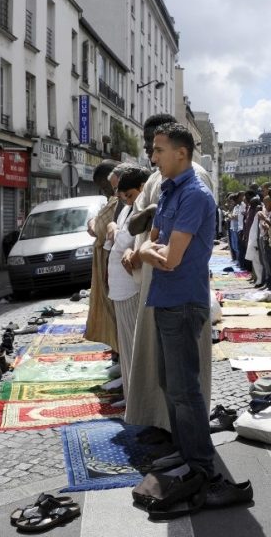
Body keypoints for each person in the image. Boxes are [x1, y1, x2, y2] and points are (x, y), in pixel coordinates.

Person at [123, 114, 213, 438]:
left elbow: (171, 254)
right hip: (159, 288)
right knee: (167, 376)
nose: (151, 155)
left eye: (157, 148)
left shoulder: (194, 185)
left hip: (181, 292)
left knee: (185, 381)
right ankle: (169, 429)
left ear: (179, 151)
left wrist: (146, 251)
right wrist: (140, 249)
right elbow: (143, 227)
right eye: (150, 148)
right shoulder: (163, 183)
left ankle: (195, 454)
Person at [108, 165, 150, 403]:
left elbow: (127, 240)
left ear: (141, 188)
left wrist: (116, 233)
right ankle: (132, 393)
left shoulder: (142, 208)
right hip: (121, 286)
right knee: (127, 344)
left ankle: (137, 397)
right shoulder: (128, 209)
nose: (125, 200)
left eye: (129, 195)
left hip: (131, 286)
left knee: (134, 345)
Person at [85, 161, 120, 352]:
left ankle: (120, 350)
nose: (104, 190)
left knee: (115, 310)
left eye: (104, 185)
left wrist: (94, 222)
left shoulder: (118, 201)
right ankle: (117, 348)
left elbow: (97, 228)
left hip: (113, 266)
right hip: (107, 264)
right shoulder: (113, 201)